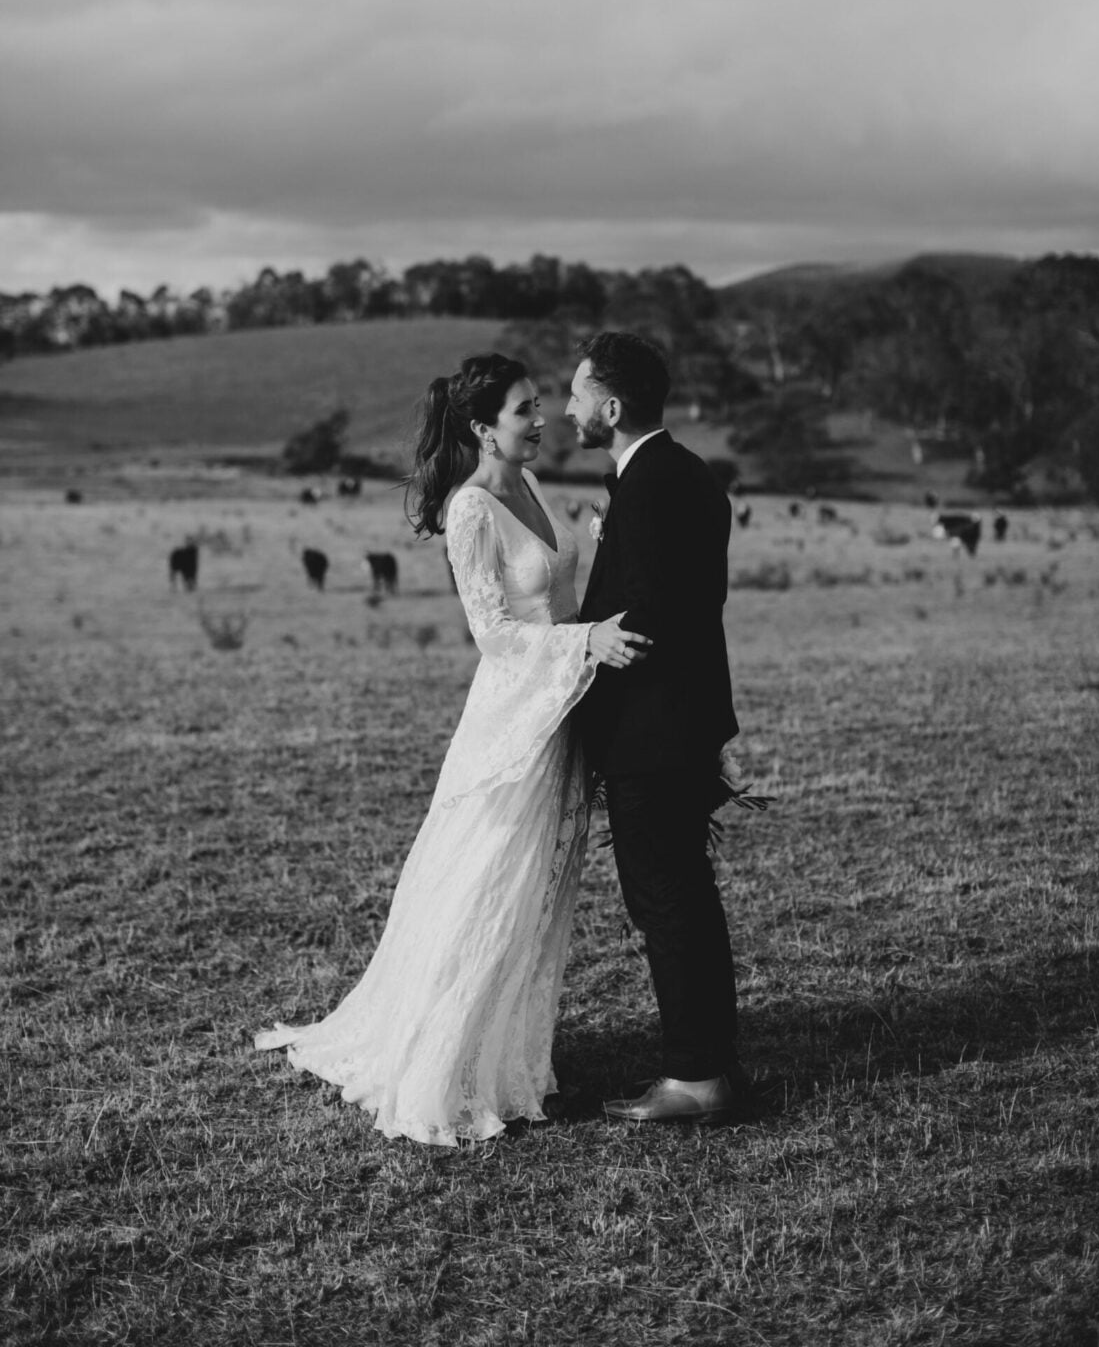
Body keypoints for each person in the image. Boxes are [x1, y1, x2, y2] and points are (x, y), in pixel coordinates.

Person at [255, 353, 648, 1145]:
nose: (540, 420)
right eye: (523, 410)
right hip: (512, 724)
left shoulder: (532, 484)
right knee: (486, 880)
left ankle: (505, 1056)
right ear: (481, 428)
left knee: (534, 892)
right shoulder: (470, 510)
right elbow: (494, 633)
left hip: (561, 709)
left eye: (539, 405)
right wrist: (583, 643)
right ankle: (444, 1062)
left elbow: (559, 590)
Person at [567, 331, 744, 1125]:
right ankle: (709, 1065)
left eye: (576, 394)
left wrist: (578, 658)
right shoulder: (689, 474)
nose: (566, 409)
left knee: (666, 902)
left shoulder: (646, 490)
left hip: (652, 731)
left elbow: (641, 621)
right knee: (686, 898)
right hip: (687, 721)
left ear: (610, 407)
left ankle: (697, 1078)